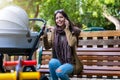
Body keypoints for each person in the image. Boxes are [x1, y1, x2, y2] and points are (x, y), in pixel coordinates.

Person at [42, 9, 83, 80]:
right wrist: (45, 35)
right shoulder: (55, 32)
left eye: (61, 17)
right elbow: (47, 47)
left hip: (72, 63)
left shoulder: (73, 31)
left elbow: (71, 43)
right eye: (57, 18)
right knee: (52, 62)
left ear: (66, 19)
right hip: (60, 61)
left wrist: (66, 29)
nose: (59, 20)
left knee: (60, 72)